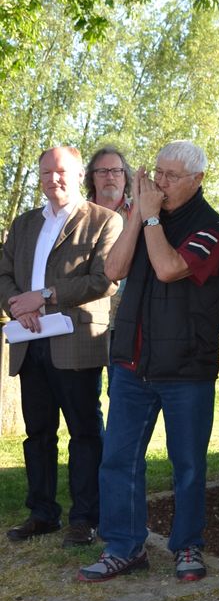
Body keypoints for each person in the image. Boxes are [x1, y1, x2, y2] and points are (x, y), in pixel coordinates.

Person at [78, 140, 219, 583]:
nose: (159, 183)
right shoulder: (144, 218)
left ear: (197, 180)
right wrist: (136, 219)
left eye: (170, 176)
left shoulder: (212, 228)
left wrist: (147, 217)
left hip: (186, 370)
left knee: (187, 466)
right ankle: (124, 548)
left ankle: (187, 547)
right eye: (157, 173)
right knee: (118, 460)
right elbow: (113, 270)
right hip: (131, 365)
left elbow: (168, 268)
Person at [0, 146, 122, 546]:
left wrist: (45, 296)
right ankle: (42, 513)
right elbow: (3, 274)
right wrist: (17, 305)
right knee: (38, 434)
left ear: (78, 174)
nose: (54, 178)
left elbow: (104, 279)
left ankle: (84, 518)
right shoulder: (23, 224)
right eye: (47, 172)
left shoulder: (104, 221)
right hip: (29, 341)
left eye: (61, 171)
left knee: (84, 434)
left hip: (76, 343)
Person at [84, 145, 133, 351]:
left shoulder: (140, 213)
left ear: (125, 176)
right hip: (85, 320)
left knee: (120, 383)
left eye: (116, 171)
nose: (110, 176)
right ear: (92, 178)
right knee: (84, 383)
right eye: (102, 171)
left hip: (127, 319)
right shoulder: (77, 216)